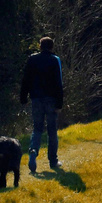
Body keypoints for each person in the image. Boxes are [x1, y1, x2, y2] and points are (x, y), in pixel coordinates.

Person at [20, 35, 64, 173]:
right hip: (51, 99)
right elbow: (59, 83)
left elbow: (25, 79)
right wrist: (59, 103)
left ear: (40, 46)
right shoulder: (55, 60)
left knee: (37, 128)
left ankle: (33, 153)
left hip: (36, 99)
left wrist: (23, 97)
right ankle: (53, 161)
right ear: (52, 47)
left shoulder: (32, 59)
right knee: (52, 131)